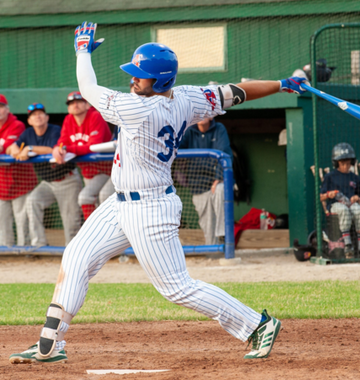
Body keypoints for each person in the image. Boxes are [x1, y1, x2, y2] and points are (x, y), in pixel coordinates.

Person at [9, 21, 308, 364]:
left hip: (150, 208)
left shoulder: (140, 108)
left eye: (141, 75)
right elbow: (236, 91)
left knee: (176, 287)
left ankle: (257, 324)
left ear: (161, 80)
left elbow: (87, 86)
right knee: (76, 257)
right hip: (119, 202)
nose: (133, 79)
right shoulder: (187, 97)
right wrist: (282, 84)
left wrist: (81, 50)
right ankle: (50, 343)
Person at [8, 103, 82, 247]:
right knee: (32, 202)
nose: (38, 116)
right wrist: (16, 150)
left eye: (40, 113)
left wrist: (29, 148)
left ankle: (73, 250)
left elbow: (51, 149)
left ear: (47, 117)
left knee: (70, 220)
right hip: (47, 183)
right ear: (29, 120)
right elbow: (12, 146)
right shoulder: (28, 133)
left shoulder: (55, 130)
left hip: (67, 180)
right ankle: (39, 245)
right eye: (33, 114)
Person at [52, 91, 112, 220]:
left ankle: (106, 233)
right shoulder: (68, 120)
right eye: (72, 103)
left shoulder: (95, 116)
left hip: (109, 170)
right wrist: (58, 148)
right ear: (68, 108)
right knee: (90, 201)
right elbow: (63, 141)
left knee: (102, 197)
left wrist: (67, 148)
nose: (76, 105)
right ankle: (95, 233)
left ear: (87, 105)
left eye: (79, 101)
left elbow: (93, 147)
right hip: (89, 172)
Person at [179, 117, 233, 244]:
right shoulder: (189, 131)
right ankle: (213, 253)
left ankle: (223, 234)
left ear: (212, 115)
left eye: (205, 112)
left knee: (221, 189)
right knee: (208, 229)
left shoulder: (219, 128)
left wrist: (219, 178)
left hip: (215, 183)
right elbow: (175, 146)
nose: (202, 115)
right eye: (199, 112)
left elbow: (225, 153)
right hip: (198, 186)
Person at [320, 143, 360, 258]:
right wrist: (329, 194)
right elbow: (321, 197)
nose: (345, 165)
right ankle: (348, 245)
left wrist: (359, 198)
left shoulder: (354, 177)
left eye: (348, 163)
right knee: (343, 210)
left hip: (351, 202)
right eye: (342, 163)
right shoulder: (330, 176)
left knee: (359, 212)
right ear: (336, 162)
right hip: (336, 204)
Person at [0, 95, 37, 246]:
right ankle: (6, 252)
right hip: (1, 185)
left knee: (22, 222)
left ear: (7, 109)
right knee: (3, 223)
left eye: (1, 106)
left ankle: (25, 252)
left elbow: (7, 148)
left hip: (20, 183)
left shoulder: (16, 125)